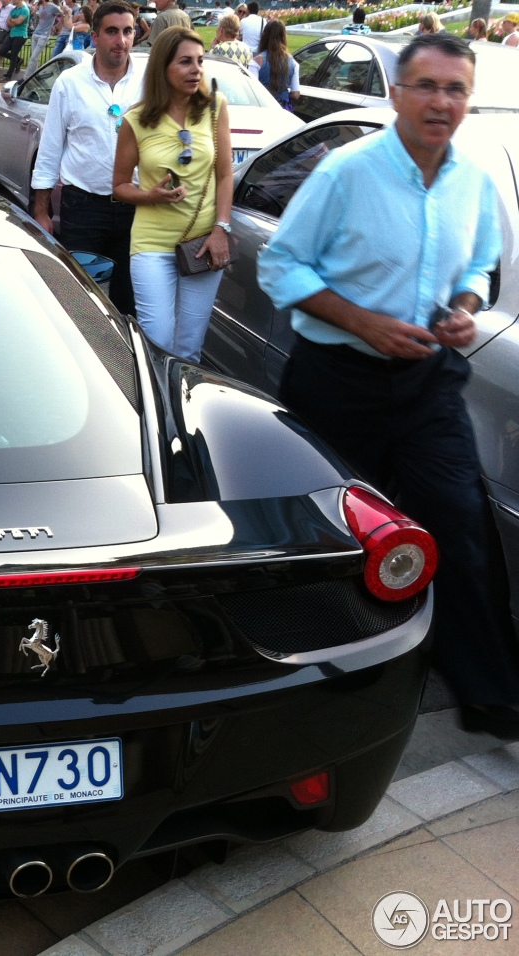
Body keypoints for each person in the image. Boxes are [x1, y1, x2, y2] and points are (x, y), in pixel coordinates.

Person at [259, 32, 519, 739]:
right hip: (337, 380)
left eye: (456, 89)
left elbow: (478, 265)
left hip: (431, 382)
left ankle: (489, 693)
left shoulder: (471, 178)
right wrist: (363, 323)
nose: (442, 102)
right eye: (428, 87)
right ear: (398, 94)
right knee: (331, 538)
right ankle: (320, 691)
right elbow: (281, 266)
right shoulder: (348, 171)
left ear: (468, 99)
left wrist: (464, 309)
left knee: (459, 527)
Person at [112, 25, 233, 360]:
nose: (196, 70)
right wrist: (150, 196)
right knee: (159, 341)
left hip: (203, 243)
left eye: (199, 61)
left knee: (189, 347)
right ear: (162, 69)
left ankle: (175, 411)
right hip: (152, 243)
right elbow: (119, 186)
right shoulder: (135, 120)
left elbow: (225, 174)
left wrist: (222, 228)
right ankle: (154, 408)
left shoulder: (215, 107)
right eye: (185, 62)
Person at [32, 1, 143, 314]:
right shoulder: (70, 83)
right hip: (83, 209)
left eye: (127, 31)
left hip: (135, 211)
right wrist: (41, 210)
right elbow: (50, 149)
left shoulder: (147, 83)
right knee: (79, 303)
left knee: (129, 303)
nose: (120, 40)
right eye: (111, 31)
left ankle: (124, 363)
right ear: (95, 36)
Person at [253, 20, 297, 110]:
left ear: (264, 36)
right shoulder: (293, 63)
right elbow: (295, 94)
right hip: (283, 111)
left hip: (262, 109)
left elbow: (252, 92)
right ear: (284, 36)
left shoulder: (256, 61)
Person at [24, 0, 60, 77]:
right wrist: (35, 10)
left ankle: (25, 78)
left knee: (34, 57)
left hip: (44, 35)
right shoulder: (40, 6)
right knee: (34, 58)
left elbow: (62, 15)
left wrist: (57, 26)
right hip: (36, 33)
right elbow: (39, 18)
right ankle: (36, 76)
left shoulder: (53, 7)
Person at [0, 0, 30, 81]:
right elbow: (8, 21)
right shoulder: (14, 9)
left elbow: (19, 22)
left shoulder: (25, 9)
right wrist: (14, 21)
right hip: (12, 34)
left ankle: (8, 76)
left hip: (20, 35)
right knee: (2, 51)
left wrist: (12, 20)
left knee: (13, 55)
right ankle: (18, 60)